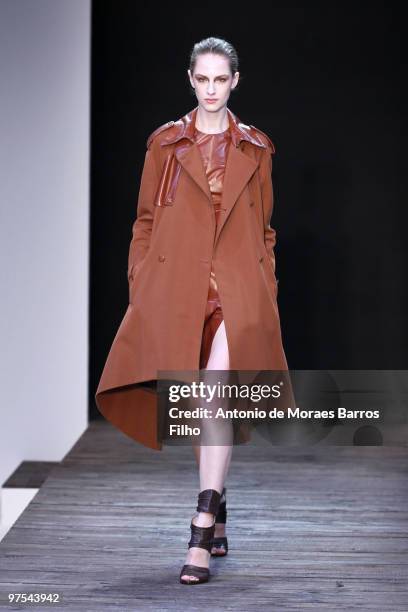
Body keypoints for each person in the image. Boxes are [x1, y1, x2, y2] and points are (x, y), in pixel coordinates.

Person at [95, 36, 292, 585]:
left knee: (214, 393)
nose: (210, 89)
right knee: (203, 399)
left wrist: (264, 282)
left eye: (220, 79)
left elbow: (266, 226)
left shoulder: (257, 147)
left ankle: (202, 525)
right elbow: (144, 221)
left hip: (235, 288)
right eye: (202, 79)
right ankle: (220, 504)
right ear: (190, 79)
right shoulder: (164, 143)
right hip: (179, 286)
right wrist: (142, 281)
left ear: (235, 82)